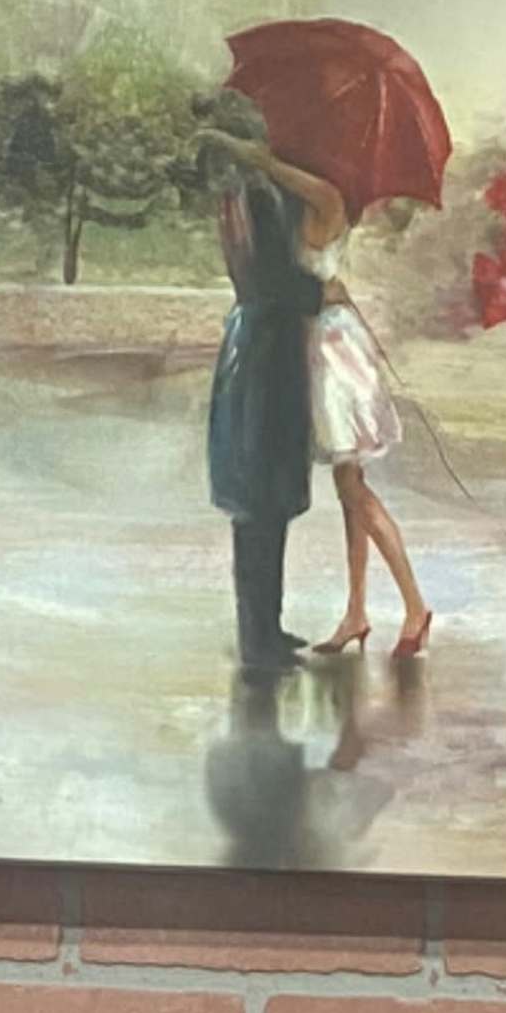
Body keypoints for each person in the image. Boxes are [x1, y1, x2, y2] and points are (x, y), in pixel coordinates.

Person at [199, 101, 324, 673]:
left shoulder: (249, 196)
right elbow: (278, 282)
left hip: (260, 348)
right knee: (261, 503)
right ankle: (258, 639)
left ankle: (264, 629)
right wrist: (321, 290)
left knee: (261, 505)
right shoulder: (261, 200)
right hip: (267, 353)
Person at [307, 260, 431, 660]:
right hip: (325, 338)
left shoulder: (312, 219)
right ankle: (356, 612)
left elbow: (317, 283)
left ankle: (415, 606)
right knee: (349, 485)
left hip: (335, 346)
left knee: (351, 486)